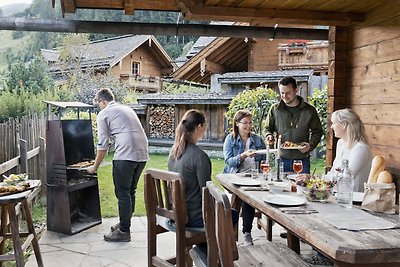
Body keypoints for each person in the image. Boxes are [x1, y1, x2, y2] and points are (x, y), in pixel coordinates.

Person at [87, 88, 148, 242]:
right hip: (142, 154)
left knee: (122, 193)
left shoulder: (104, 113)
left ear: (102, 101)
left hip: (126, 155)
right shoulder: (126, 108)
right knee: (130, 191)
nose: (99, 106)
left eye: (98, 104)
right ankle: (124, 223)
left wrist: (94, 167)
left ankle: (124, 232)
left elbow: (102, 145)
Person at [296, 108, 372, 192]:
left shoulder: (361, 149)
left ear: (344, 125)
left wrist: (313, 178)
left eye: (334, 123)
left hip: (353, 200)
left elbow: (344, 178)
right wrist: (313, 179)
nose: (331, 126)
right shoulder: (341, 143)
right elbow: (333, 173)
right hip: (336, 194)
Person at [223, 109, 266, 246]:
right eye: (245, 123)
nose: (248, 126)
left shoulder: (257, 139)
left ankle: (247, 233)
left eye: (250, 122)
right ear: (237, 124)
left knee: (249, 198)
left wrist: (261, 158)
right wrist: (243, 155)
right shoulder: (230, 139)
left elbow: (265, 159)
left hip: (253, 176)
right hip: (235, 176)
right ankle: (228, 232)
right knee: (241, 197)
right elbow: (229, 161)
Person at [265, 76, 323, 174]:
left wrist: (310, 145)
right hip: (281, 159)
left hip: (302, 160)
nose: (284, 96)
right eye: (282, 93)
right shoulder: (275, 109)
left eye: (288, 93)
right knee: (282, 188)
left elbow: (317, 131)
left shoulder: (309, 110)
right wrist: (268, 135)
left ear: (296, 90)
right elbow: (267, 128)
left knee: (302, 188)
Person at [168, 109, 211, 228]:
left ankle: (202, 246)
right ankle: (206, 246)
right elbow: (206, 193)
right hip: (193, 218)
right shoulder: (200, 157)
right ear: (199, 126)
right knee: (231, 213)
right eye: (204, 126)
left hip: (175, 214)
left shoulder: (173, 151)